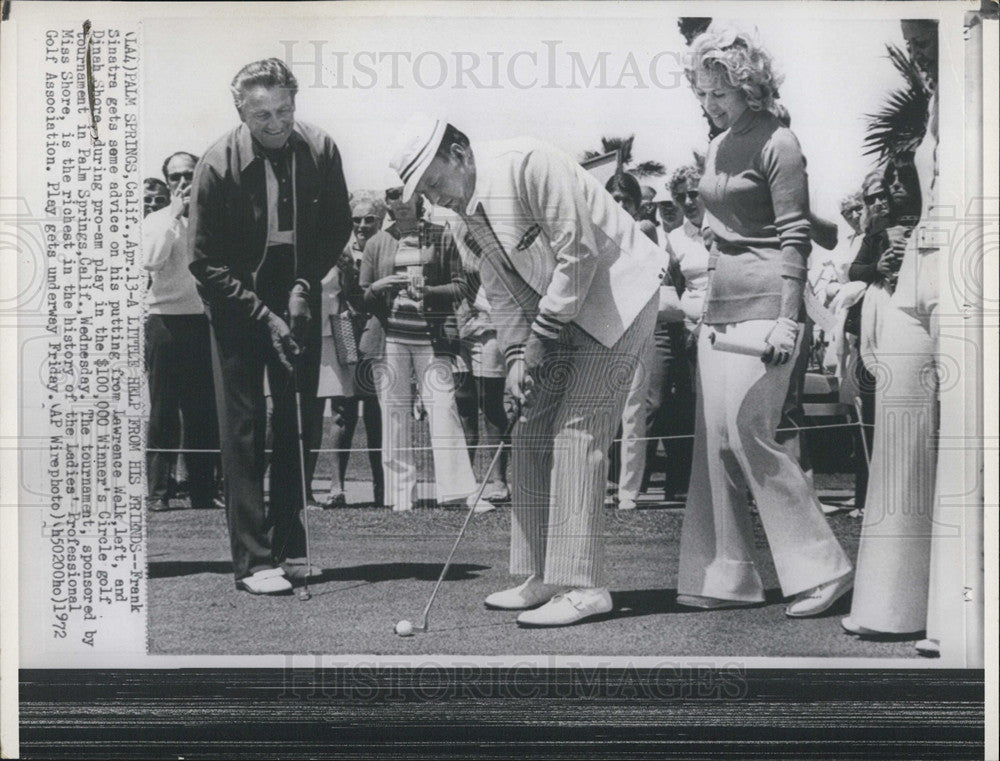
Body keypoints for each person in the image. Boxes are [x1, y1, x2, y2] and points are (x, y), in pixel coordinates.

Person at [390, 114, 665, 627]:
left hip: (621, 298)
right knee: (531, 431)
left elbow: (577, 254)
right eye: (421, 192)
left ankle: (587, 587)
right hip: (561, 314)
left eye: (432, 183)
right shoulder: (465, 217)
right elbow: (504, 293)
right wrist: (517, 357)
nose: (431, 199)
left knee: (576, 432)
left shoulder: (529, 163)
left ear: (459, 154)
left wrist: (538, 340)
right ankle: (543, 574)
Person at [675, 28, 853, 617]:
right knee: (716, 445)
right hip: (719, 309)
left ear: (749, 84)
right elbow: (719, 220)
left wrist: (787, 319)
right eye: (703, 93)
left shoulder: (780, 141)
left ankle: (823, 568)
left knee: (752, 436)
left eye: (720, 91)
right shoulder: (719, 143)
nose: (711, 103)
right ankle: (726, 575)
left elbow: (795, 236)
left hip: (768, 306)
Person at [189, 58, 352, 595]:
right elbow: (205, 262)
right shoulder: (216, 163)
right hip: (234, 292)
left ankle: (291, 546)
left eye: (284, 110)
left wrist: (304, 286)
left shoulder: (321, 148)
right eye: (262, 115)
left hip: (295, 284)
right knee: (243, 428)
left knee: (296, 419)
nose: (276, 123)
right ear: (240, 110)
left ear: (295, 103)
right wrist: (263, 313)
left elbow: (336, 228)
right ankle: (254, 561)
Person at [844, 19, 945, 651]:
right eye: (913, 46)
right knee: (902, 436)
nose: (922, 57)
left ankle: (960, 608)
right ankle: (893, 603)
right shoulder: (930, 113)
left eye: (927, 43)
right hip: (915, 284)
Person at [360, 187, 477, 512]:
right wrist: (379, 287)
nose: (402, 213)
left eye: (408, 207)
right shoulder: (375, 243)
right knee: (394, 415)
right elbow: (361, 297)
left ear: (418, 204)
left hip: (433, 336)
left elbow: (461, 286)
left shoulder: (441, 236)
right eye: (396, 210)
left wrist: (429, 290)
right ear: (390, 209)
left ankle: (457, 492)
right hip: (389, 338)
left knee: (443, 409)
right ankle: (400, 496)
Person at [143, 151, 220, 513]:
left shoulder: (212, 217)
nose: (182, 183)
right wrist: (173, 215)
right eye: (175, 177)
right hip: (165, 320)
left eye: (189, 175)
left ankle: (203, 490)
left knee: (201, 410)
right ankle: (159, 491)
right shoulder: (156, 220)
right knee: (163, 410)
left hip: (202, 320)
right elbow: (152, 260)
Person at [304, 191, 387, 509]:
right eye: (357, 219)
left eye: (370, 219)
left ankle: (383, 488)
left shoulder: (387, 248)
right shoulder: (339, 251)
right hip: (343, 334)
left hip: (379, 337)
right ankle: (337, 487)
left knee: (377, 413)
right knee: (342, 411)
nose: (362, 225)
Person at [603, 172, 664, 512]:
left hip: (639, 326)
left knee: (633, 412)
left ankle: (629, 490)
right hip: (607, 329)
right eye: (614, 198)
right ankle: (602, 483)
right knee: (604, 411)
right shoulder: (600, 234)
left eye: (625, 200)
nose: (619, 205)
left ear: (637, 204)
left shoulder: (644, 230)